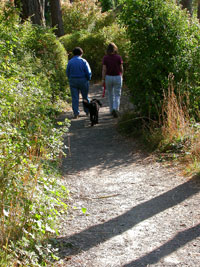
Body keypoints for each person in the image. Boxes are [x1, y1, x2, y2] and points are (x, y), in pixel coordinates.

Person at [66, 47, 92, 118]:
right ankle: (87, 111)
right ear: (81, 53)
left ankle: (76, 113)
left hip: (73, 80)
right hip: (83, 80)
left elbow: (67, 72)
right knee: (85, 97)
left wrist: (70, 78)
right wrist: (88, 78)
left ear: (73, 54)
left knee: (75, 97)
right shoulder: (84, 61)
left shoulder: (70, 62)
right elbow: (88, 72)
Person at [102, 42, 123, 118]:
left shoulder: (105, 57)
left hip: (108, 77)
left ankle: (111, 110)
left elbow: (104, 69)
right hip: (117, 76)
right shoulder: (118, 57)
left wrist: (103, 79)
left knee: (110, 94)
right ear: (115, 49)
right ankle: (115, 109)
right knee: (117, 94)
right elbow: (121, 68)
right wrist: (122, 75)